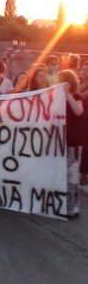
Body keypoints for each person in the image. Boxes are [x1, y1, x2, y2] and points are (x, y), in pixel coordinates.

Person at [58, 70, 84, 219]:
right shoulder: (58, 99)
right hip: (61, 142)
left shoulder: (76, 97)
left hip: (73, 143)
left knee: (72, 177)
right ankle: (62, 205)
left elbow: (78, 111)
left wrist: (68, 94)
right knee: (62, 176)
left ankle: (72, 208)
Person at [78, 62, 88, 186]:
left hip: (86, 116)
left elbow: (81, 96)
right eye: (83, 69)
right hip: (78, 117)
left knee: (86, 145)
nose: (85, 72)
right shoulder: (78, 83)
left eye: (87, 70)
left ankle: (84, 174)